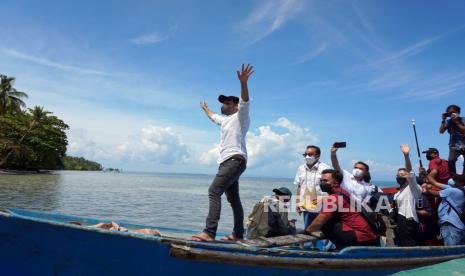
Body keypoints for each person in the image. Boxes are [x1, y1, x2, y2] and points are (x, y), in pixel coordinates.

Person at [190, 64, 254, 242]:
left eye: (226, 103)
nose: (223, 105)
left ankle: (209, 233)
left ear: (234, 105)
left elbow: (245, 101)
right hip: (228, 162)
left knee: (213, 191)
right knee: (234, 199)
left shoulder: (241, 117)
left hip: (235, 160)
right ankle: (238, 235)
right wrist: (205, 108)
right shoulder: (225, 121)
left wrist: (243, 82)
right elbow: (213, 117)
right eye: (222, 103)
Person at [305, 169, 379, 250]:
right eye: (321, 180)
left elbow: (319, 222)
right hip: (369, 235)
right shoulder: (343, 192)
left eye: (325, 181)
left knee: (325, 222)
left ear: (336, 183)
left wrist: (307, 231)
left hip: (360, 237)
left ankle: (342, 247)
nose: (322, 183)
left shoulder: (334, 198)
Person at [294, 145, 331, 230]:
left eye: (310, 154)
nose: (307, 157)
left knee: (324, 232)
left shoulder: (325, 169)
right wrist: (298, 202)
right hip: (306, 206)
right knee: (308, 231)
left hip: (321, 207)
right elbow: (299, 186)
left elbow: (331, 187)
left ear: (318, 156)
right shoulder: (301, 168)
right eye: (305, 154)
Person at [392, 144, 422, 246]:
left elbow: (409, 171)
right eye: (398, 175)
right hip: (400, 221)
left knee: (410, 245)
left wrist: (406, 156)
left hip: (408, 220)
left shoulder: (413, 187)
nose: (399, 177)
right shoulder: (397, 193)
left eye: (402, 175)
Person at [425, 174, 465, 246]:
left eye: (456, 180)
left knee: (451, 251)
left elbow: (435, 193)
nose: (454, 181)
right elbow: (435, 183)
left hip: (451, 224)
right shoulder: (460, 189)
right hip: (457, 225)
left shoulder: (453, 191)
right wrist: (426, 174)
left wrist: (425, 189)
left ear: (462, 182)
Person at [440, 105, 465, 175]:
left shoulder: (463, 120)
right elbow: (441, 131)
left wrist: (457, 122)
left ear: (458, 112)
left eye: (453, 112)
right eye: (449, 113)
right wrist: (443, 120)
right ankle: (453, 177)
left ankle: (463, 178)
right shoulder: (448, 122)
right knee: (451, 160)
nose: (451, 114)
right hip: (454, 145)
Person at [69, 221, 161, 236]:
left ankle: (82, 227)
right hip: (119, 229)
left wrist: (115, 227)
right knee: (101, 224)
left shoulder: (144, 231)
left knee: (101, 225)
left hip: (119, 230)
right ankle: (82, 227)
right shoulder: (144, 231)